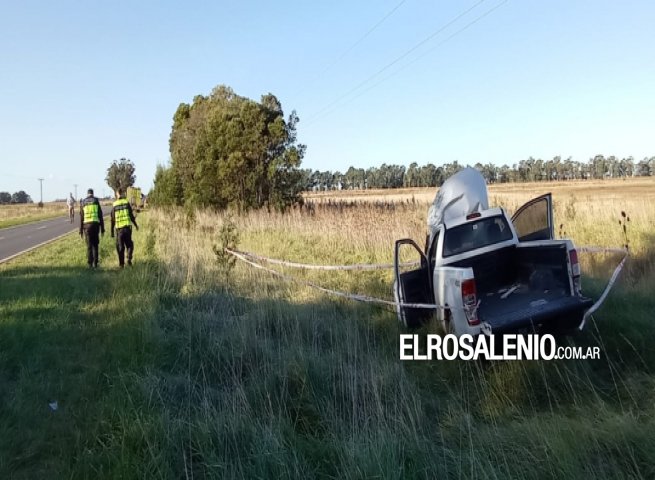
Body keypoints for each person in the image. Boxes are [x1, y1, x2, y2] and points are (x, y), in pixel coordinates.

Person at [110, 187, 139, 267]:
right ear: (122, 193)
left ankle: (121, 265)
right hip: (127, 228)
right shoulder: (126, 202)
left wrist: (112, 231)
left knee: (120, 247)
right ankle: (129, 258)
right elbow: (131, 216)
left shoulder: (114, 204)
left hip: (119, 230)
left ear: (117, 194)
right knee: (129, 244)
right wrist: (136, 225)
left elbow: (112, 219)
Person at [79, 188, 105, 268]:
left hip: (87, 226)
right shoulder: (96, 201)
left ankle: (90, 263)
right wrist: (102, 228)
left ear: (87, 194)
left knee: (89, 245)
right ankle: (95, 263)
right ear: (93, 194)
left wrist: (80, 230)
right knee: (95, 245)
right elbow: (100, 215)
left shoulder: (83, 202)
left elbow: (81, 217)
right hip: (95, 225)